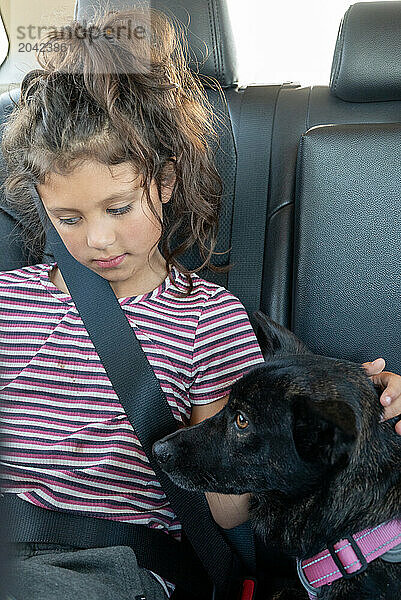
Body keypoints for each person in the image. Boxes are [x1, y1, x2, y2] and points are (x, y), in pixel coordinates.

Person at [0, 7, 401, 600]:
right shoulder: (10, 299)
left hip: (119, 564)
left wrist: (342, 405)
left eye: (118, 208)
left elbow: (228, 507)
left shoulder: (206, 320)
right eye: (68, 218)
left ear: (163, 182)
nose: (98, 240)